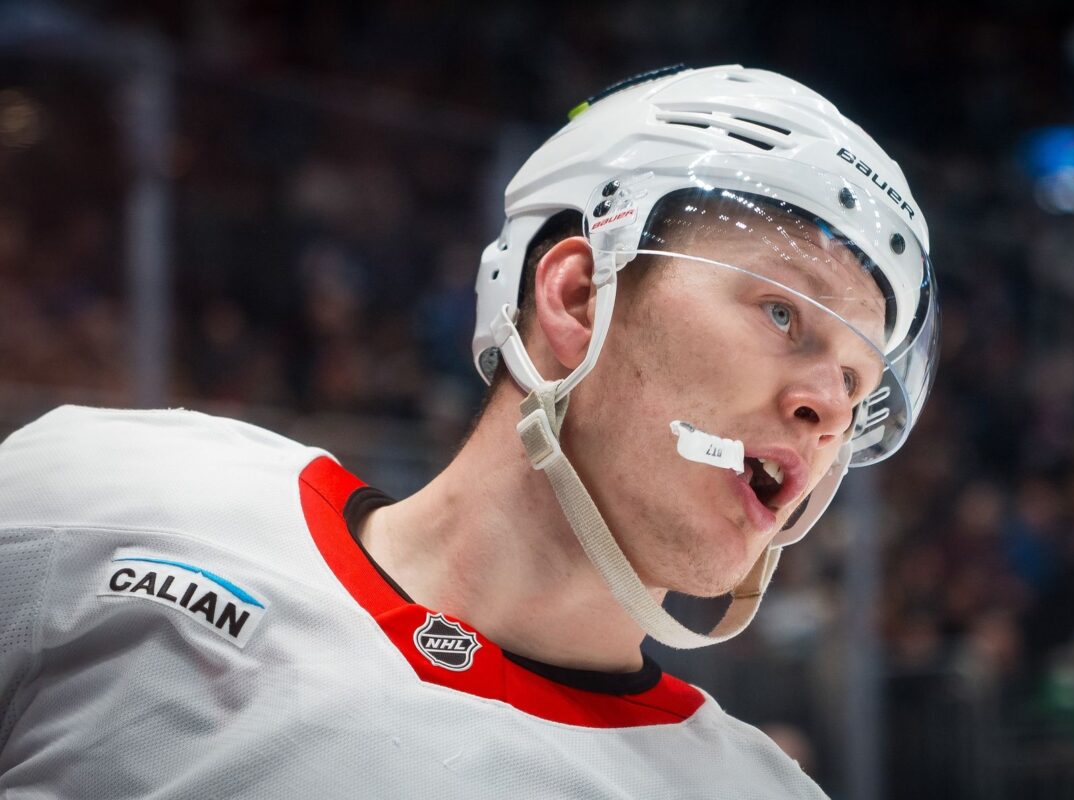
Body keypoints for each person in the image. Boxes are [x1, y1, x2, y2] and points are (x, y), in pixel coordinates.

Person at [0, 65, 939, 798]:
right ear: (579, 294)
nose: (830, 409)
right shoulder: (102, 500)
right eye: (784, 315)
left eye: (857, 384)